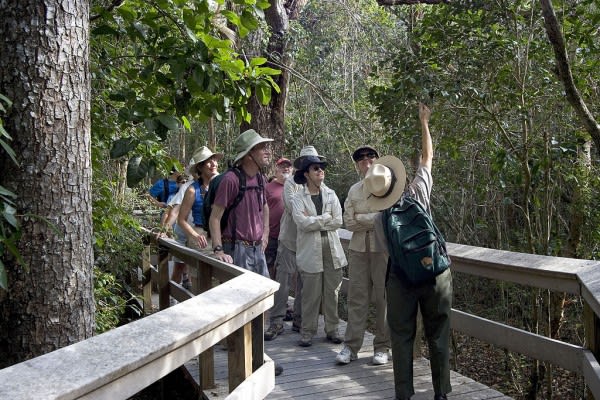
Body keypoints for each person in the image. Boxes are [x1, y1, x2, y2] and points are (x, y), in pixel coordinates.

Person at [368, 103, 452, 400]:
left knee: (402, 339)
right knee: (438, 334)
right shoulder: (417, 192)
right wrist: (424, 121)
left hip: (402, 279)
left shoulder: (379, 218)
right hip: (434, 274)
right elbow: (428, 158)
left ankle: (404, 394)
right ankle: (441, 393)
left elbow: (387, 253)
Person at [336, 145, 392, 365]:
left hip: (384, 251)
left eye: (371, 157)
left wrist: (364, 218)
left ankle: (382, 347)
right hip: (358, 250)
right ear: (357, 165)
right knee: (356, 299)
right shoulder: (354, 190)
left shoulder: (389, 187)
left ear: (378, 160)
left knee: (384, 299)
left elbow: (387, 220)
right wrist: (374, 219)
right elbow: (348, 222)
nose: (366, 161)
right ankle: (351, 348)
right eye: (361, 159)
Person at [264, 146, 325, 341]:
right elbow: (294, 209)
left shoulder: (320, 184)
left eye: (314, 161)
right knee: (283, 280)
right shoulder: (291, 182)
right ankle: (277, 321)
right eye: (308, 161)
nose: (312, 165)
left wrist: (313, 215)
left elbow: (325, 210)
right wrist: (314, 215)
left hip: (308, 242)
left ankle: (300, 320)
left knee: (305, 283)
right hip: (289, 239)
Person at [291, 155, 347, 347]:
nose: (320, 171)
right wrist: (325, 218)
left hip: (332, 250)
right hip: (310, 251)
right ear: (306, 174)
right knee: (310, 295)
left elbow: (339, 220)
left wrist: (315, 220)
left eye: (322, 168)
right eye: (315, 168)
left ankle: (333, 330)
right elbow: (302, 223)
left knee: (332, 293)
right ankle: (307, 332)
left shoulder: (331, 194)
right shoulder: (297, 197)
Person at [209, 128, 272, 275]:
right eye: (261, 148)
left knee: (264, 293)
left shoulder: (260, 178)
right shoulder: (231, 180)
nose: (267, 151)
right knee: (240, 295)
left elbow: (265, 206)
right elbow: (215, 217)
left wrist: (266, 233)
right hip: (237, 248)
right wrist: (218, 250)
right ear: (249, 154)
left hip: (258, 248)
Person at [178, 146, 223, 252]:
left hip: (222, 235)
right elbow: (181, 220)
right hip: (202, 236)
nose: (213, 164)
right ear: (200, 167)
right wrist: (195, 235)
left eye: (214, 160)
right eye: (208, 162)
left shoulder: (224, 184)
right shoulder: (192, 190)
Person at [264, 157, 292, 279]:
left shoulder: (297, 187)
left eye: (288, 166)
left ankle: (280, 296)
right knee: (269, 266)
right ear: (276, 169)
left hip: (289, 237)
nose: (285, 168)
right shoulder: (268, 187)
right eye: (282, 166)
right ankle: (268, 295)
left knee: (285, 269)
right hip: (272, 235)